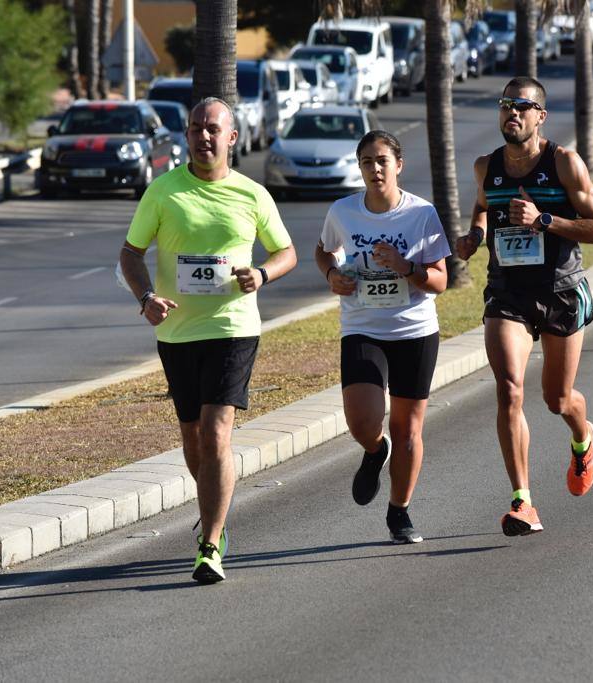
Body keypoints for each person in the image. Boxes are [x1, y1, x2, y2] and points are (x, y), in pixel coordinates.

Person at [119, 97, 297, 584]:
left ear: (232, 138)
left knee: (217, 433)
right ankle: (215, 508)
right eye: (196, 128)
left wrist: (261, 274)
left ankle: (210, 542)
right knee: (193, 439)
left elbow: (286, 252)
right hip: (177, 331)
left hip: (232, 327)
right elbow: (131, 253)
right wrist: (147, 297)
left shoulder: (252, 194)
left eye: (213, 129)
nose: (203, 136)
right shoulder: (163, 192)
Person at [454, 77, 593, 536]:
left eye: (522, 107)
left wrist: (544, 220)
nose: (512, 114)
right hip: (508, 293)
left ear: (541, 116)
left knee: (557, 399)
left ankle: (583, 437)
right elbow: (483, 208)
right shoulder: (486, 166)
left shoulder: (563, 162)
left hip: (561, 289)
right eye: (506, 106)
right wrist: (474, 237)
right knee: (509, 389)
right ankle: (523, 501)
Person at [315, 130, 450, 544]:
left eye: (382, 161)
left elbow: (441, 281)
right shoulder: (343, 211)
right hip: (362, 327)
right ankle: (375, 450)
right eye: (367, 162)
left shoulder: (421, 214)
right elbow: (323, 250)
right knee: (362, 420)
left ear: (398, 165)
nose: (375, 169)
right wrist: (332, 274)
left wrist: (404, 265)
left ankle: (399, 512)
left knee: (409, 430)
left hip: (413, 330)